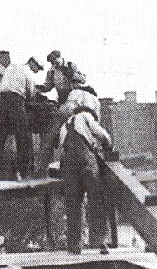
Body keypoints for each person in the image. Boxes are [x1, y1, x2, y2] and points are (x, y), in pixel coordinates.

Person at [57, 99, 113, 254]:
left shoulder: (64, 126)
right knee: (96, 198)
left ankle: (74, 246)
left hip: (68, 164)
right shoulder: (85, 116)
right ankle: (100, 242)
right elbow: (102, 135)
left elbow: (61, 149)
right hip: (85, 161)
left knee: (73, 204)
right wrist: (108, 146)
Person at [0, 56, 43, 180]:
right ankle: (24, 171)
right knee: (23, 137)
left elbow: (4, 84)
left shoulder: (11, 66)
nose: (37, 71)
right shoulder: (28, 72)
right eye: (38, 68)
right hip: (15, 101)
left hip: (0, 100)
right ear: (33, 64)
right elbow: (30, 94)